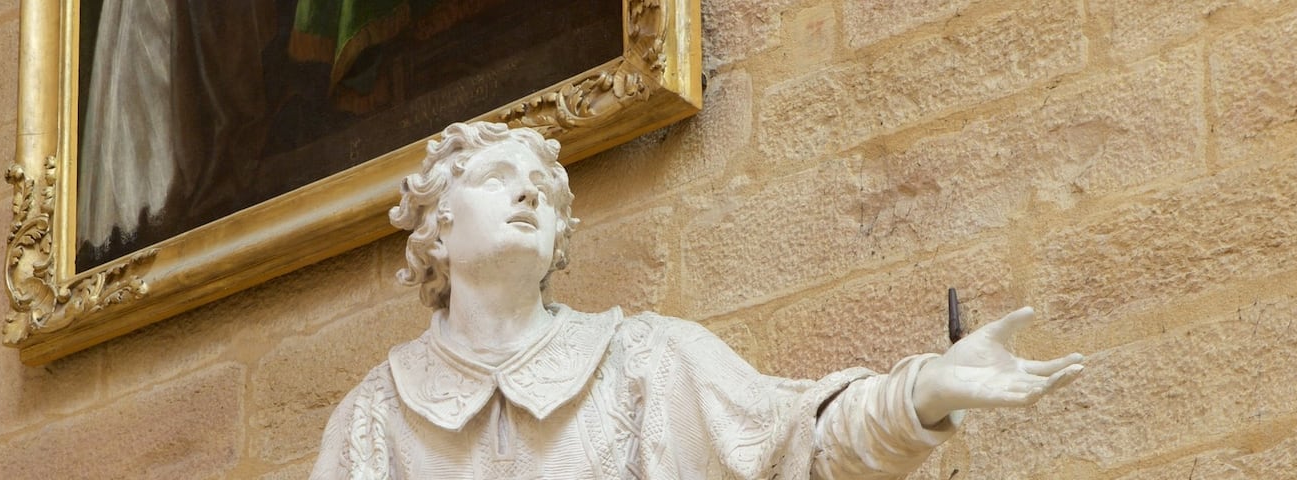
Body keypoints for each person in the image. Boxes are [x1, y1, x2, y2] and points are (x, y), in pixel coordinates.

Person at [311, 122, 1086, 479]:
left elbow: (798, 445)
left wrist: (923, 392)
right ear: (437, 228)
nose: (528, 194)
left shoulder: (646, 362)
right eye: (496, 179)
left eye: (543, 188)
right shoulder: (375, 416)